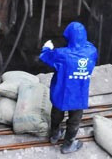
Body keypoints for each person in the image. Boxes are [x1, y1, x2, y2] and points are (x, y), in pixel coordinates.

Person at [40, 21, 98, 154]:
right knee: (74, 120)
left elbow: (45, 57)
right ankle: (68, 144)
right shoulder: (91, 52)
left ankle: (54, 135)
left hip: (62, 92)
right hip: (79, 94)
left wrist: (47, 48)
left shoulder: (62, 54)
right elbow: (87, 46)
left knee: (56, 114)